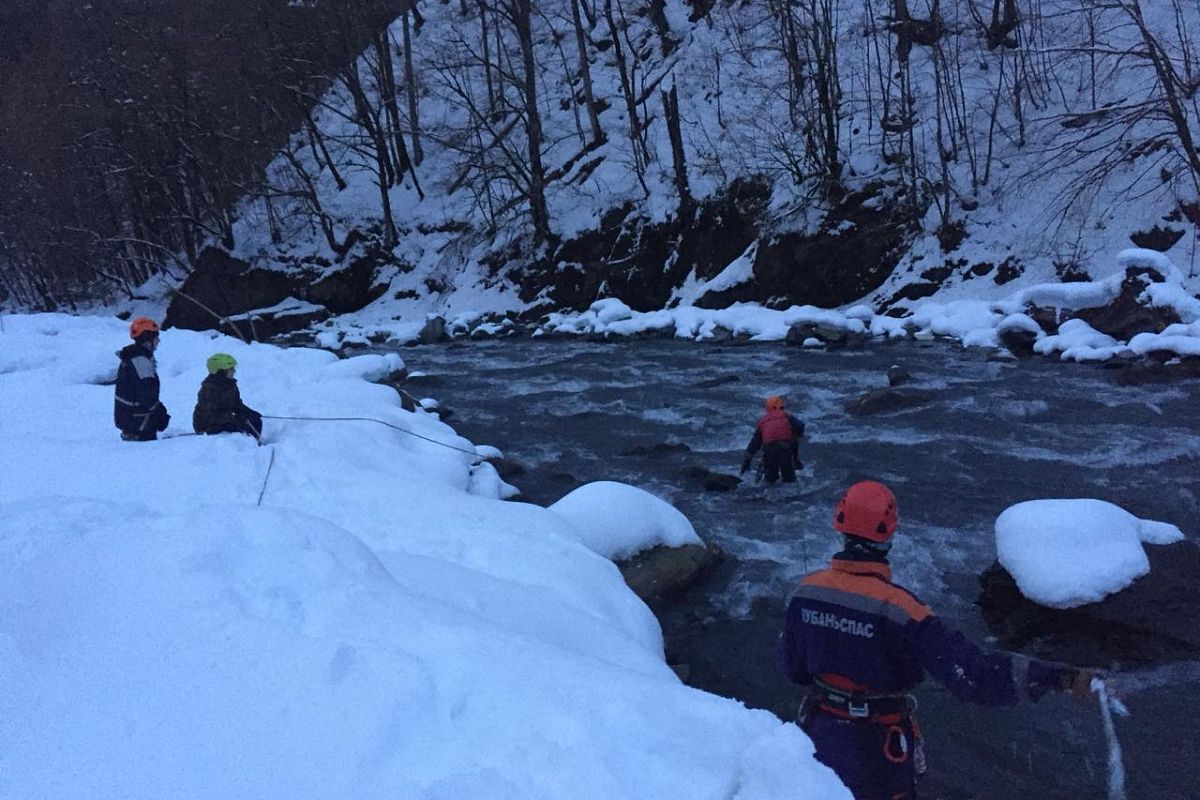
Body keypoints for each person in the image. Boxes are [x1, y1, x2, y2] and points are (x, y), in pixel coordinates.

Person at [777, 480, 1099, 800]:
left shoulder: (805, 593)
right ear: (889, 532)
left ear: (840, 525)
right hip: (878, 750)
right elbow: (973, 676)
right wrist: (1061, 677)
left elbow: (793, 670)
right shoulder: (903, 611)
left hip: (819, 736)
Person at [114, 317, 170, 441]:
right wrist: (161, 414)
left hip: (131, 420)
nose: (158, 341)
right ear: (148, 339)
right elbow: (147, 397)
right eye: (156, 338)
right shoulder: (140, 362)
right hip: (139, 423)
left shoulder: (133, 357)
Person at [192, 353, 263, 440]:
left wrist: (250, 413)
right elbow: (211, 416)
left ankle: (256, 444)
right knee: (242, 426)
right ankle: (248, 448)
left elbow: (236, 404)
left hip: (225, 419)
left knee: (255, 420)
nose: (234, 371)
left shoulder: (230, 384)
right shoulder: (210, 389)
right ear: (221, 372)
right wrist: (234, 418)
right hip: (207, 425)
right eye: (231, 369)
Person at [741, 395, 805, 483]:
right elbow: (800, 426)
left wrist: (747, 460)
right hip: (785, 449)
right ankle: (796, 462)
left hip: (769, 450)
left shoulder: (763, 421)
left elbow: (754, 443)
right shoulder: (786, 415)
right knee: (789, 480)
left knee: (771, 480)